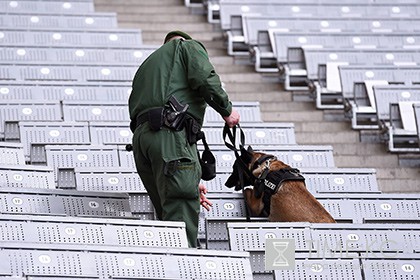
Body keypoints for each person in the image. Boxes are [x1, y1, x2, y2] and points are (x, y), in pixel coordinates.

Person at [128, 30, 240, 247]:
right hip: (170, 134)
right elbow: (204, 76)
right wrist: (226, 110)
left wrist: (189, 180)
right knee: (179, 210)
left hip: (143, 141)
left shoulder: (147, 65)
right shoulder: (187, 47)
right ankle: (185, 268)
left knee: (167, 212)